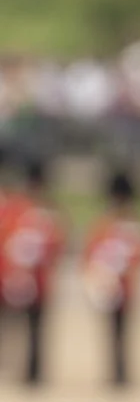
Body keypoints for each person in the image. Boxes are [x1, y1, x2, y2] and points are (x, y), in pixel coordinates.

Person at [81, 170, 140, 387]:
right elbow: (91, 253)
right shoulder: (105, 223)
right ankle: (115, 370)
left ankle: (122, 370)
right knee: (111, 331)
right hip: (107, 284)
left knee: (124, 330)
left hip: (126, 285)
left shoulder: (132, 224)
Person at [0, 160, 64, 386]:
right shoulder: (19, 209)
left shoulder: (43, 212)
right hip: (12, 276)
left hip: (38, 279)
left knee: (35, 328)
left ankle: (33, 371)